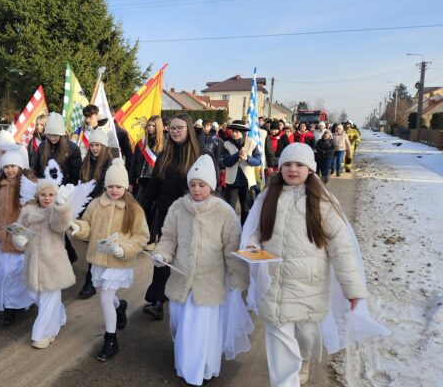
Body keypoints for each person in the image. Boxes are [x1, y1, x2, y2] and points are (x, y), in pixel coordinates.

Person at [242, 143, 385, 386]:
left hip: (309, 287)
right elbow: (257, 231)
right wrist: (253, 246)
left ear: (310, 169)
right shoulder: (268, 197)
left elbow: (341, 249)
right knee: (280, 341)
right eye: (287, 164)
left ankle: (304, 359)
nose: (293, 170)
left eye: (299, 165)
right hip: (275, 285)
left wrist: (352, 290)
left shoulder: (322, 202)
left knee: (306, 336)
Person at [152, 154, 250, 385]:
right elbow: (169, 237)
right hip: (182, 278)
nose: (196, 190)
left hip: (209, 281)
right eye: (193, 185)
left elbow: (231, 247)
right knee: (181, 324)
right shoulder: (178, 207)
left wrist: (237, 276)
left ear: (212, 186)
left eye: (202, 185)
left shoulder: (224, 212)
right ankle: (185, 365)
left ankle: (201, 369)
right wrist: (162, 253)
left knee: (201, 328)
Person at [71, 158, 149, 361]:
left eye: (119, 186)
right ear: (105, 186)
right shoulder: (97, 204)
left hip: (118, 261)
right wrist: (79, 228)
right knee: (104, 294)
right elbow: (87, 225)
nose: (114, 190)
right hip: (98, 258)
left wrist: (124, 249)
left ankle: (111, 340)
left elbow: (141, 236)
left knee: (105, 298)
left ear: (126, 186)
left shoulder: (134, 209)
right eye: (111, 186)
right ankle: (119, 306)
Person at [140, 113, 201, 320]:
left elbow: (207, 188)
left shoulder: (199, 157)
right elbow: (154, 186)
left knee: (183, 261)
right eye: (172, 128)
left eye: (179, 127)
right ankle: (157, 300)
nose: (175, 131)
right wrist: (142, 208)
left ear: (188, 130)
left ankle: (185, 300)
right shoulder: (164, 155)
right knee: (163, 257)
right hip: (166, 215)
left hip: (190, 217)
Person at [12, 179, 75, 349]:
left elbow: (60, 226)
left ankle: (44, 333)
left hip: (53, 264)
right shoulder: (27, 211)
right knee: (34, 294)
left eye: (51, 195)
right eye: (43, 194)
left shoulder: (57, 213)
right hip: (32, 263)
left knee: (48, 300)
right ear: (37, 195)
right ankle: (59, 315)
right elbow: (19, 230)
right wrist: (19, 239)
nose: (47, 198)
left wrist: (61, 206)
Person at [0, 148, 36, 324]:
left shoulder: (28, 185)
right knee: (6, 272)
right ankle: (8, 307)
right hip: (5, 238)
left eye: (13, 166)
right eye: (6, 167)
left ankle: (19, 303)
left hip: (22, 239)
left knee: (19, 273)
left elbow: (34, 212)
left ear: (20, 166)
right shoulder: (0, 187)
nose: (10, 170)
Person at [31, 112, 82, 263]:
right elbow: (37, 169)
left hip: (63, 194)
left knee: (59, 226)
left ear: (61, 133)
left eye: (55, 134)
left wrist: (67, 192)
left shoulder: (72, 149)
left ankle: (69, 255)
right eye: (49, 135)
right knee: (48, 226)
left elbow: (75, 174)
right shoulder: (41, 147)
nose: (52, 138)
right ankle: (58, 256)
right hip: (45, 193)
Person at [76, 129, 113, 299]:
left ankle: (92, 280)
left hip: (103, 209)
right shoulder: (87, 162)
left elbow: (106, 188)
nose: (94, 148)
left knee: (98, 243)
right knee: (92, 244)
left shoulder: (109, 164)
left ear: (104, 146)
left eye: (97, 145)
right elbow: (82, 184)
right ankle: (93, 277)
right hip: (88, 208)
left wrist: (94, 203)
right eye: (92, 145)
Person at [221, 120, 262, 225]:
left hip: (247, 182)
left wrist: (247, 158)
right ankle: (230, 230)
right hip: (232, 182)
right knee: (230, 209)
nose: (234, 134)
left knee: (246, 209)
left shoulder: (252, 143)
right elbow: (226, 162)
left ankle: (245, 231)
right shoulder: (226, 144)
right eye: (233, 131)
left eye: (237, 132)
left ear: (243, 132)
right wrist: (237, 155)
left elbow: (258, 161)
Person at [129, 115, 164, 200]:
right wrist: (131, 182)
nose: (150, 128)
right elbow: (134, 164)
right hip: (140, 182)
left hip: (155, 182)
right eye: (149, 125)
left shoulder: (165, 144)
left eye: (154, 126)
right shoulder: (141, 143)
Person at [196, 118, 223, 192]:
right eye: (204, 126)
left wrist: (217, 165)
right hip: (200, 162)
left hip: (212, 162)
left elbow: (218, 152)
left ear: (211, 126)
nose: (206, 128)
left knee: (213, 181)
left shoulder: (215, 138)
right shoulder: (198, 137)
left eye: (207, 126)